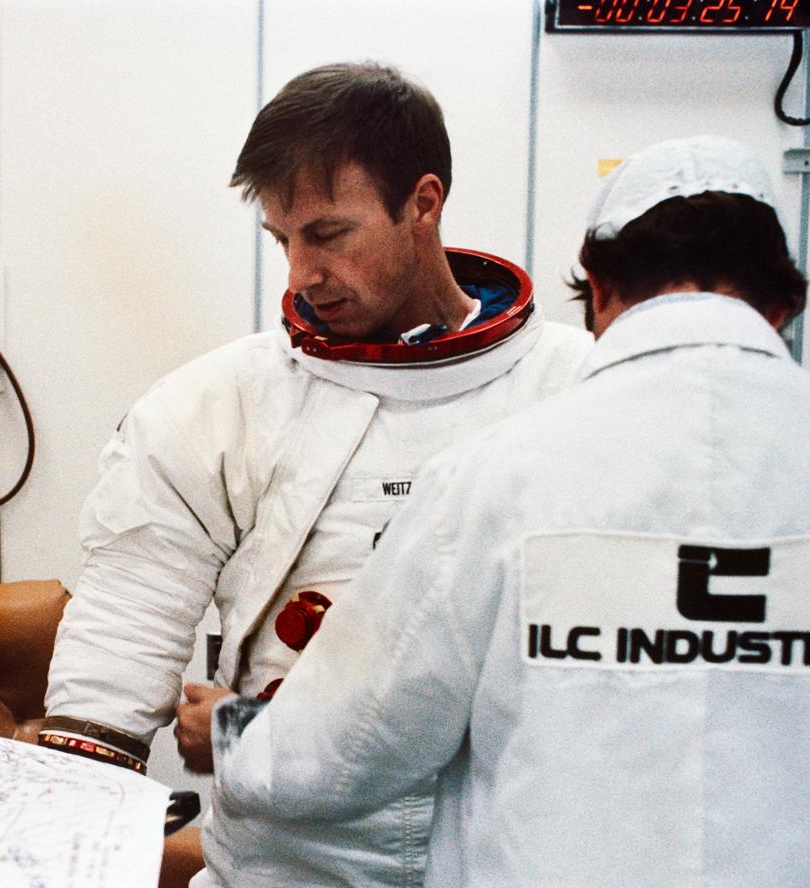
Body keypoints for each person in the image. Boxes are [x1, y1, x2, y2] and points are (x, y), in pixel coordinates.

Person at [40, 61, 592, 884]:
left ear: (423, 203)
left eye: (328, 235)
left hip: (499, 851)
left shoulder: (576, 389)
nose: (301, 275)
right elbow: (125, 624)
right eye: (282, 241)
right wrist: (64, 830)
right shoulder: (221, 401)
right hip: (282, 861)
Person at [209, 135, 810, 887]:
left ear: (596, 289)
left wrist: (232, 733)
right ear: (783, 301)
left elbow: (340, 752)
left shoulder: (496, 477)